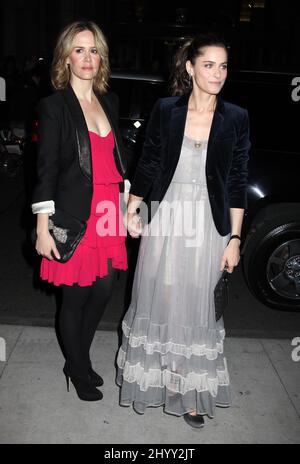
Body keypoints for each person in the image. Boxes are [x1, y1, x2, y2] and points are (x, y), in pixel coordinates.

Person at [116, 34, 250, 427]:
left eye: (223, 66)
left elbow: (238, 180)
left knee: (197, 302)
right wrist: (131, 208)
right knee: (163, 293)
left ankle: (190, 391)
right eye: (208, 65)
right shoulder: (166, 109)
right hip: (168, 213)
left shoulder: (237, 117)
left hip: (209, 223)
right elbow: (150, 160)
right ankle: (163, 379)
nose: (218, 73)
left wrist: (236, 238)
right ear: (190, 68)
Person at [32, 21, 129, 401]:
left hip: (108, 211)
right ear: (66, 58)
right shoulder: (54, 106)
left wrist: (129, 205)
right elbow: (46, 170)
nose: (87, 58)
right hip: (73, 213)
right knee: (74, 297)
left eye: (93, 50)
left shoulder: (110, 101)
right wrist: (43, 227)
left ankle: (78, 359)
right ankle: (77, 367)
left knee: (104, 290)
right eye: (79, 50)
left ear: (101, 56)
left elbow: (116, 159)